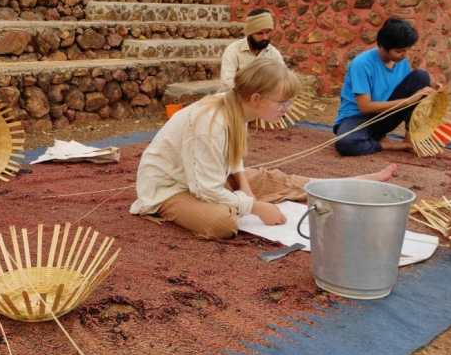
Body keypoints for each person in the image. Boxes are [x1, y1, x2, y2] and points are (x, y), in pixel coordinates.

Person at [130, 58, 397, 239]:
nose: (286, 109)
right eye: (281, 102)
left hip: (206, 179)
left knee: (273, 179)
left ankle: (344, 185)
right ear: (256, 98)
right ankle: (226, 205)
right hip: (171, 190)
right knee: (222, 223)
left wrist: (247, 192)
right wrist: (256, 207)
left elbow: (233, 161)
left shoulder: (237, 108)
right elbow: (205, 189)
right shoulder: (209, 123)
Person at [333, 18, 437, 156]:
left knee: (421, 77)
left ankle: (410, 138)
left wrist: (432, 87)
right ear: (382, 46)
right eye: (399, 51)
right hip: (357, 119)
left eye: (406, 50)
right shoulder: (361, 64)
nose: (404, 55)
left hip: (384, 116)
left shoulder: (401, 61)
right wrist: (408, 101)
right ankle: (392, 145)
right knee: (346, 143)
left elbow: (412, 89)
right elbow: (365, 107)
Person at [219, 8, 285, 89]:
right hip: (236, 96)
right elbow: (227, 82)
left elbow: (283, 78)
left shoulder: (273, 53)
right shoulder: (233, 50)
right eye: (259, 33)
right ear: (250, 34)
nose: (265, 37)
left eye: (268, 32)